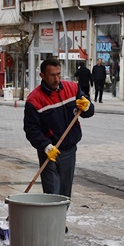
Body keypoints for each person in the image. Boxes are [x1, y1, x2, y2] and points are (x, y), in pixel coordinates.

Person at [23, 58, 95, 199]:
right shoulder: (34, 100)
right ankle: (51, 220)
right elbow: (31, 129)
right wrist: (45, 146)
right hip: (50, 153)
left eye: (59, 74)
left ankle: (61, 219)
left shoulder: (72, 89)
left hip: (69, 150)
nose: (56, 79)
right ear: (42, 76)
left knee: (64, 193)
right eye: (52, 75)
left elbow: (89, 111)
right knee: (52, 193)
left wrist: (87, 107)